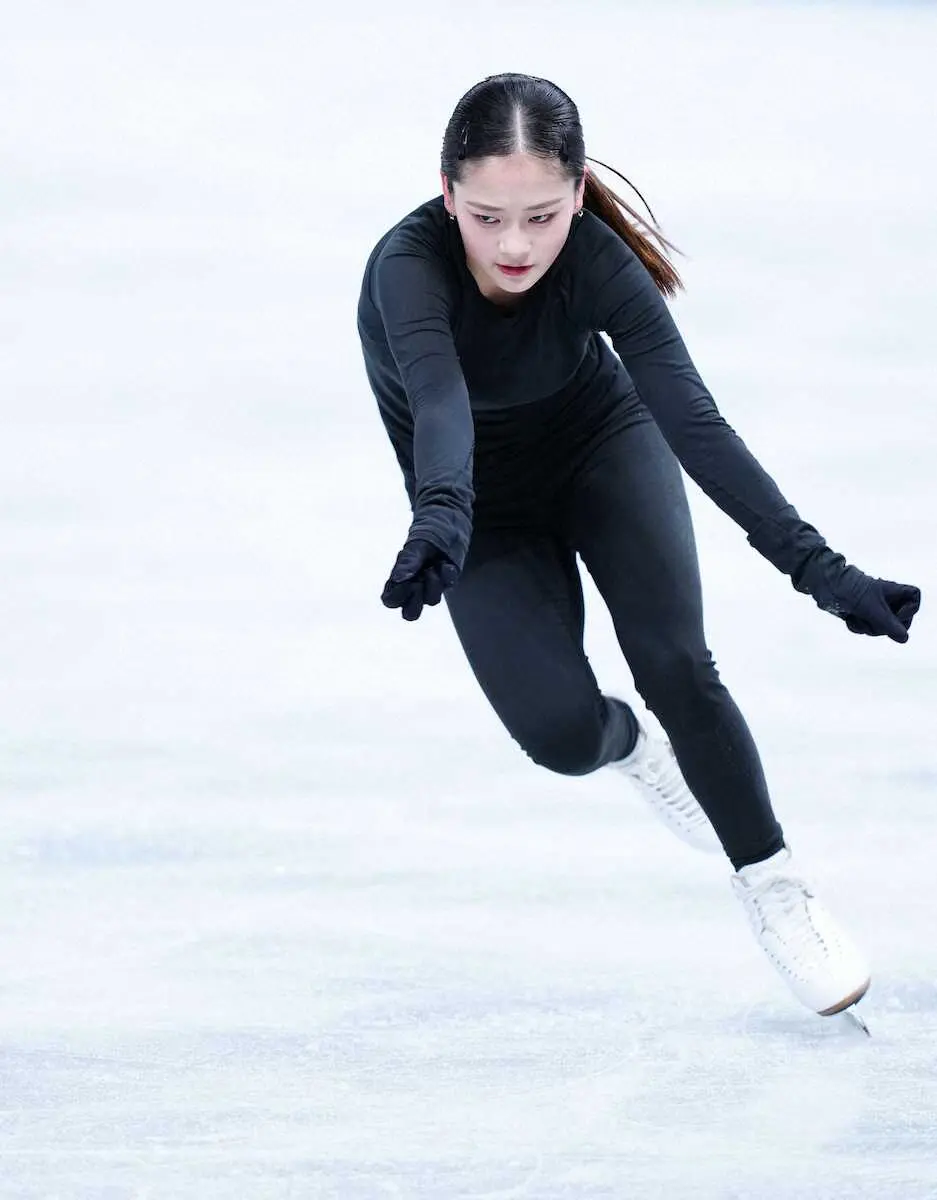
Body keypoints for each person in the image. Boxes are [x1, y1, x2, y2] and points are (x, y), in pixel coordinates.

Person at [355, 72, 920, 1020]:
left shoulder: (599, 263)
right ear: (447, 191)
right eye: (487, 216)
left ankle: (776, 892)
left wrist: (820, 570)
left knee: (676, 663)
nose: (516, 244)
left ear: (577, 192)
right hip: (478, 504)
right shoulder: (406, 268)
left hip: (601, 450)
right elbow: (440, 404)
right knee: (562, 738)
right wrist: (442, 518)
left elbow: (692, 421)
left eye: (541, 214)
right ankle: (630, 748)